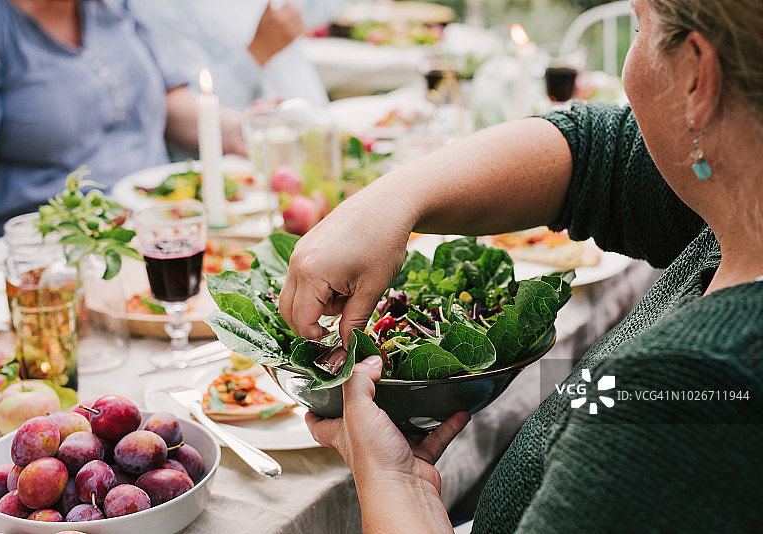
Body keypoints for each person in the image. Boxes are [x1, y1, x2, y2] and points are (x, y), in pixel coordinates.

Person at [279, 0, 763, 531]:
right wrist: (391, 201)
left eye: (639, 26)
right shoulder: (737, 193)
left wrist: (391, 483)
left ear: (697, 76)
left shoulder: (685, 395)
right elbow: (595, 151)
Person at [0, 0, 246, 243]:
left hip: (169, 229)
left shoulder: (113, 5)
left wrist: (244, 132)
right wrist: (1, 279)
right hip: (61, 256)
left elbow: (167, 100)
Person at [129, 0, 329, 113]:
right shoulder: (159, 6)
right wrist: (257, 53)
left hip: (315, 129)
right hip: (245, 160)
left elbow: (312, 11)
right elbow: (189, 109)